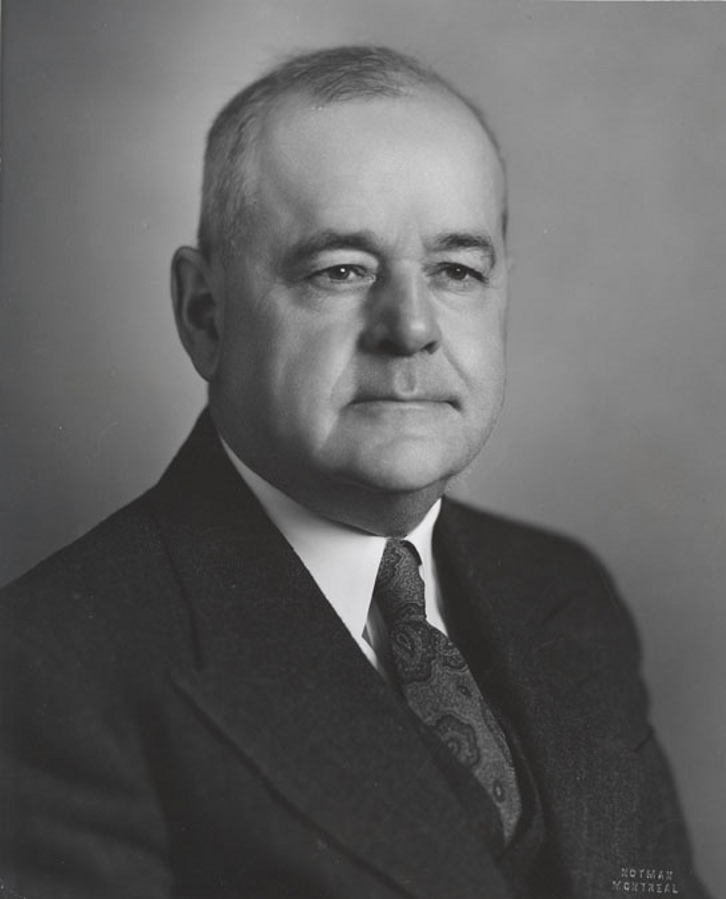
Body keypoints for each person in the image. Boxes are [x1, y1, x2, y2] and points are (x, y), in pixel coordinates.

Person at [0, 45, 709, 899]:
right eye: (341, 269)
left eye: (456, 270)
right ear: (203, 313)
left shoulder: (566, 592)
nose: (410, 327)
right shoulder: (51, 666)